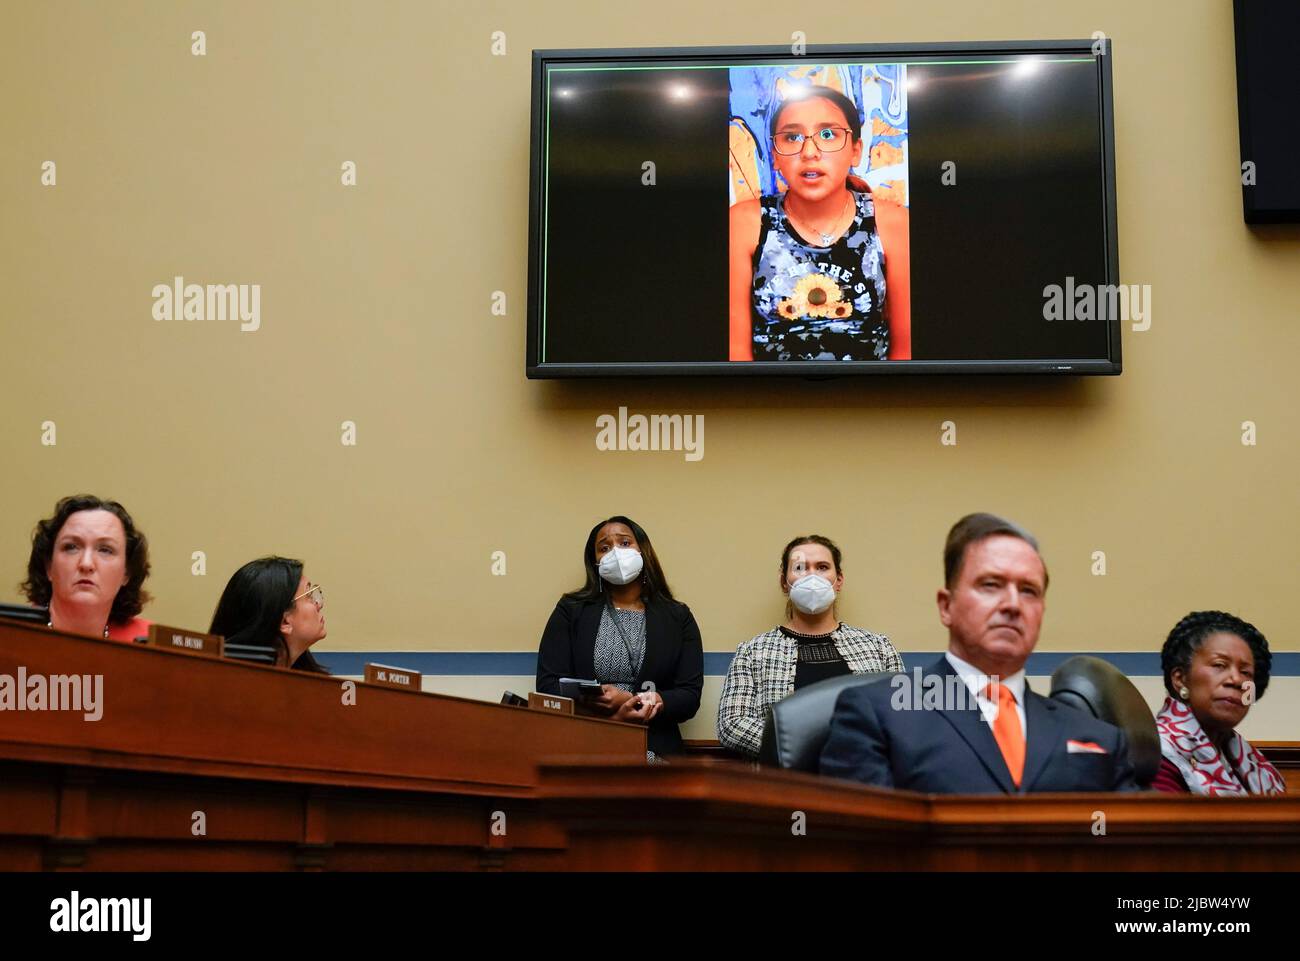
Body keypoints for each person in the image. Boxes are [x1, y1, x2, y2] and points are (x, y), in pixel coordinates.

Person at [820, 513, 1137, 793]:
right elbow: (861, 851)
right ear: (946, 606)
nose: (1012, 604)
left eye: (1028, 591)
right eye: (991, 585)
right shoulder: (877, 714)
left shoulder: (1100, 738)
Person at [729, 84, 910, 362]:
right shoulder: (745, 224)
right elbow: (735, 357)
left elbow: (905, 353)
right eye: (792, 137)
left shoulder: (891, 223)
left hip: (870, 398)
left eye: (828, 134)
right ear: (775, 155)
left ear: (855, 151)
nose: (809, 151)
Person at [717, 534, 902, 757]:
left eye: (823, 567)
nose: (812, 576)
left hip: (861, 780)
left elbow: (901, 717)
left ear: (839, 580)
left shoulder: (878, 648)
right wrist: (800, 745)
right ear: (784, 582)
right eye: (800, 568)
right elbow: (731, 724)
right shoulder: (752, 652)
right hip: (782, 785)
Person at [536, 516, 703, 757]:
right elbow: (548, 686)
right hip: (583, 748)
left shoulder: (678, 616)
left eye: (625, 543)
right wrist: (608, 715)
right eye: (604, 548)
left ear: (642, 551)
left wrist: (634, 701)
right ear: (595, 563)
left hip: (656, 751)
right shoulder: (571, 610)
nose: (616, 552)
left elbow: (689, 695)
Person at [1152, 611, 1285, 796]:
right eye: (1219, 665)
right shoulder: (1156, 754)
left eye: (1246, 672)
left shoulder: (1248, 760)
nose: (1236, 680)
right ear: (1180, 679)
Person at [20, 494, 152, 641]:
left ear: (126, 573)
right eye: (71, 547)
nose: (86, 564)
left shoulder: (149, 644)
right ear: (49, 566)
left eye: (105, 550)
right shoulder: (13, 635)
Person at [209, 557, 329, 673]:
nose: (319, 604)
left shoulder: (311, 685)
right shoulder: (241, 687)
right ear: (285, 622)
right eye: (308, 595)